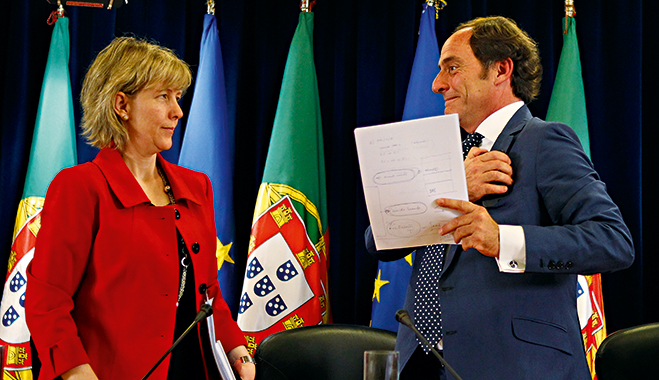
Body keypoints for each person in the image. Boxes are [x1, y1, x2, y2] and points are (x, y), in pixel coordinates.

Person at [365, 16, 634, 380]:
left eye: (452, 68)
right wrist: (452, 188)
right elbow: (377, 241)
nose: (437, 84)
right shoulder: (439, 154)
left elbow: (612, 241)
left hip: (517, 366)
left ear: (501, 70)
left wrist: (502, 239)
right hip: (422, 362)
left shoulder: (544, 141)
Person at [26, 37, 255, 380]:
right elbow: (48, 301)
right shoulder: (81, 187)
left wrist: (239, 354)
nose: (177, 111)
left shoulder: (196, 188)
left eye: (178, 98)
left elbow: (208, 295)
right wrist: (77, 373)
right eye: (163, 97)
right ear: (122, 105)